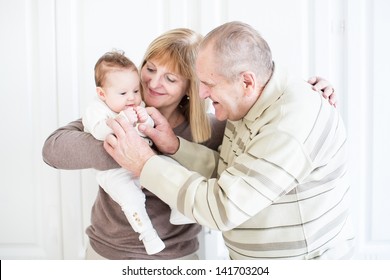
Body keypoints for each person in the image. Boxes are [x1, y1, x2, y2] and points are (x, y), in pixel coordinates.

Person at [42, 27, 336, 260]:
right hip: (109, 251)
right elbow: (53, 148)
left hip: (178, 257)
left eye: (170, 78)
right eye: (150, 68)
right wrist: (124, 148)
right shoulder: (119, 107)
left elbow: (261, 107)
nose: (153, 83)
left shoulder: (216, 124)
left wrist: (308, 92)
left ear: (191, 86)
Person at [82, 50, 193, 255]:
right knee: (131, 198)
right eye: (123, 93)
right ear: (102, 94)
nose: (132, 98)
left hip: (146, 165)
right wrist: (124, 119)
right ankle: (147, 234)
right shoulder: (96, 109)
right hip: (116, 173)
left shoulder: (136, 105)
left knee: (173, 169)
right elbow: (99, 131)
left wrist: (146, 118)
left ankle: (179, 209)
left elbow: (148, 129)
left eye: (135, 91)